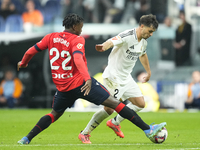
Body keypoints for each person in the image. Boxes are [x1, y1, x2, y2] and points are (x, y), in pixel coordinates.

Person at [16, 13, 166, 145]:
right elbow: (78, 59)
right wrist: (87, 78)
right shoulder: (77, 39)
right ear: (74, 26)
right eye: (81, 27)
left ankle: (26, 138)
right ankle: (147, 129)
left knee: (53, 115)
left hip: (63, 87)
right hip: (82, 83)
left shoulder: (51, 37)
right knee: (114, 105)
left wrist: (23, 62)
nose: (82, 29)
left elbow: (31, 50)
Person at [79, 14, 165, 143]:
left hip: (126, 78)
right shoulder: (128, 35)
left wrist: (148, 72)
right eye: (150, 31)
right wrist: (103, 46)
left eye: (153, 32)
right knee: (109, 109)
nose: (151, 34)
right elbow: (112, 41)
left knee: (141, 104)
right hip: (113, 77)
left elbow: (143, 55)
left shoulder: (143, 42)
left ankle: (115, 122)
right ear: (142, 26)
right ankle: (85, 133)